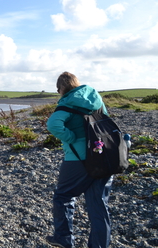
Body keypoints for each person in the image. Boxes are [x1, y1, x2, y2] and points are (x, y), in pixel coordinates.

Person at [46, 72, 113, 248]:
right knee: (98, 205)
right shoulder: (96, 99)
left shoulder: (67, 102)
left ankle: (63, 239)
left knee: (63, 196)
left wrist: (70, 137)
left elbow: (53, 124)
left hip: (78, 159)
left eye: (58, 89)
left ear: (61, 88)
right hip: (103, 155)